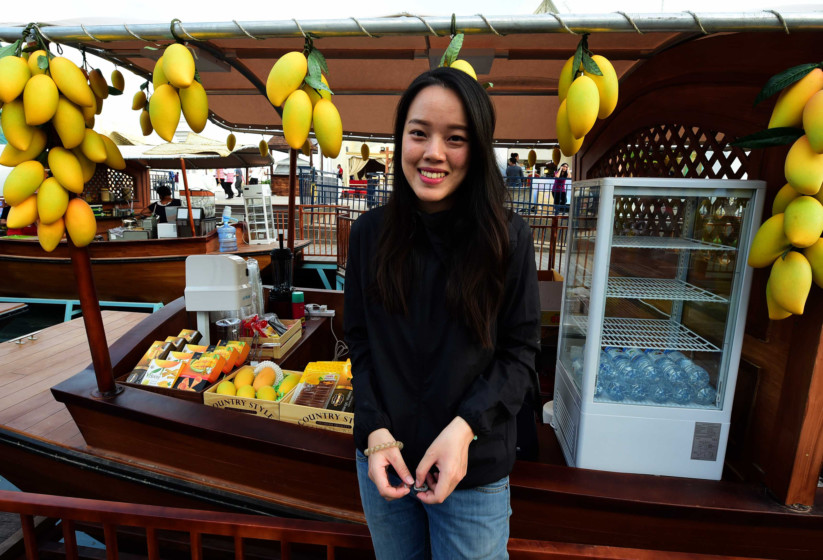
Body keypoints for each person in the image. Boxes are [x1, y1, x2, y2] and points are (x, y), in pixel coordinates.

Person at [344, 67, 540, 559]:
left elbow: (520, 353)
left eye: (455, 138)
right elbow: (361, 343)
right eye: (419, 133)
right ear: (400, 140)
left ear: (476, 151)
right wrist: (375, 431)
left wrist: (465, 428)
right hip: (386, 467)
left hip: (471, 472)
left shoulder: (507, 237)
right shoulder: (369, 234)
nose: (434, 153)